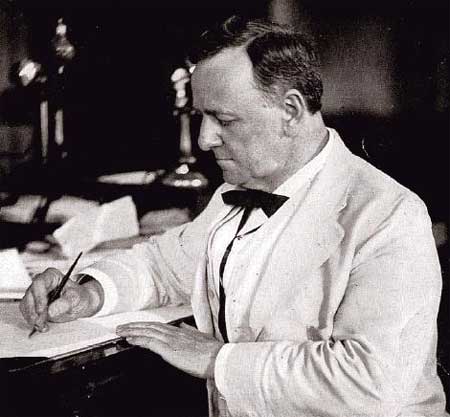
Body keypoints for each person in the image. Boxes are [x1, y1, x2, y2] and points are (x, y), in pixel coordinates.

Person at [20, 16, 447, 417]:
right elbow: (162, 266)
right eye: (201, 117)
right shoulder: (240, 191)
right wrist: (90, 293)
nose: (205, 139)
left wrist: (217, 360)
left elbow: (369, 381)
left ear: (291, 111)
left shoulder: (388, 215)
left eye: (223, 119)